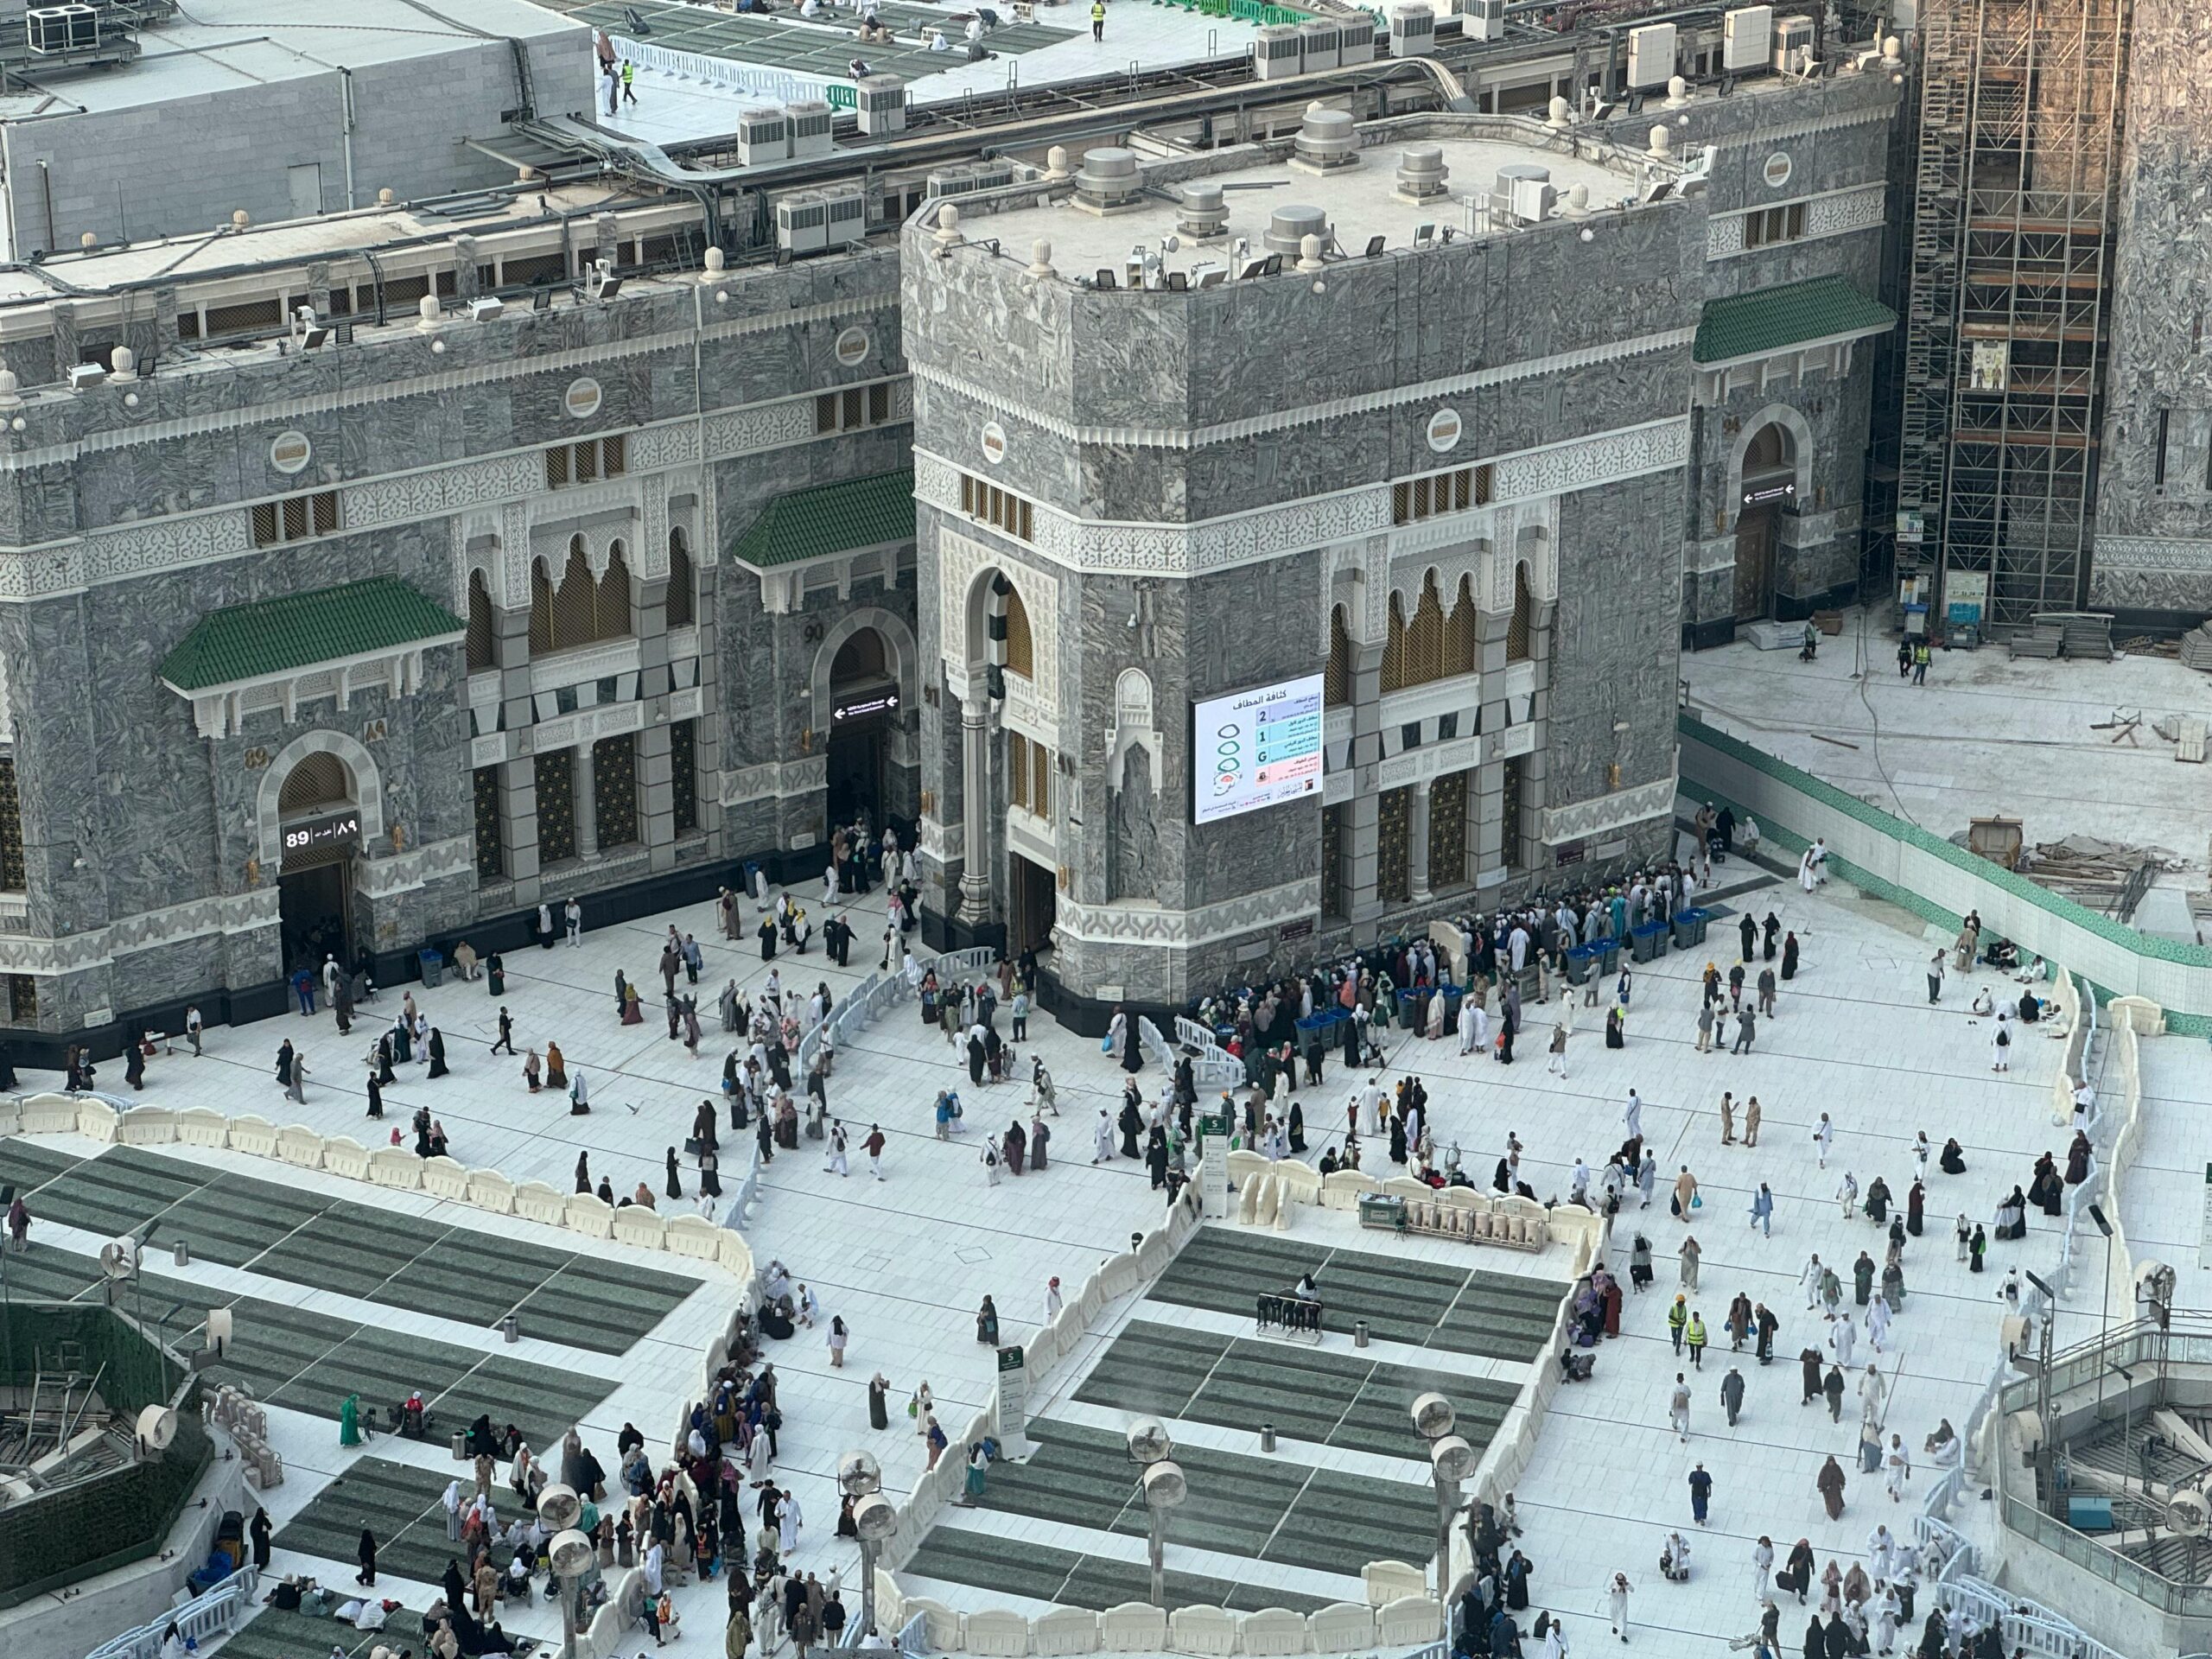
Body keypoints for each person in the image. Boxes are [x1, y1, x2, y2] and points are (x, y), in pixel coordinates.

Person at [1816, 1454, 1847, 1520]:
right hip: (1827, 1489)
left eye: (1832, 1461)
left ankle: (1838, 1511)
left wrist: (1842, 1484)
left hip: (1835, 1488)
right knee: (1830, 1502)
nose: (1831, 1463)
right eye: (1830, 1462)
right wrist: (1820, 1487)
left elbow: (1841, 1476)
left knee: (1837, 1500)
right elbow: (1821, 1477)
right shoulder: (1825, 1469)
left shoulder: (1837, 1468)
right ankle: (1833, 1513)